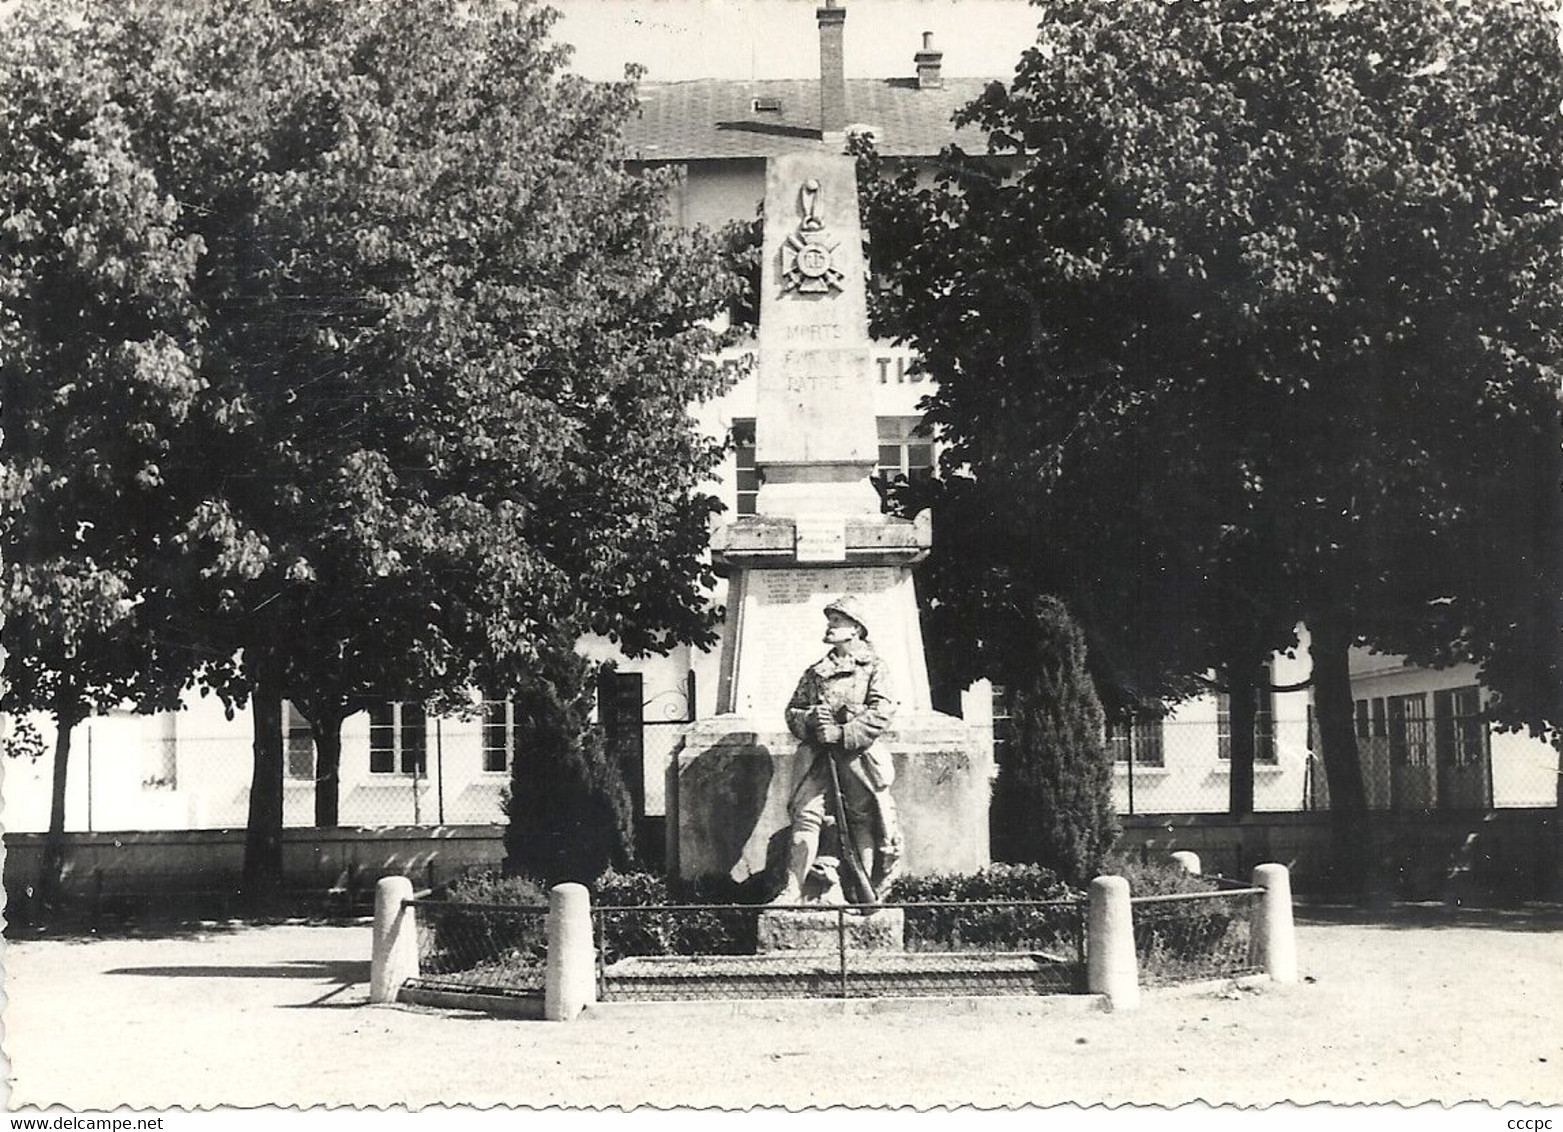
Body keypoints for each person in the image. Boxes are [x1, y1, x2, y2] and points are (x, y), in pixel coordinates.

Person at [772, 594, 902, 904]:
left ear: (856, 628)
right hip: (818, 757)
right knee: (806, 815)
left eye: (837, 621)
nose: (830, 626)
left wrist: (843, 733)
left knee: (861, 820)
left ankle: (865, 891)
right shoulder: (816, 670)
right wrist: (810, 720)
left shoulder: (874, 667)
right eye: (830, 620)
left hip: (857, 757)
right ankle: (793, 892)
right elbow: (793, 710)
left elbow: (882, 711)